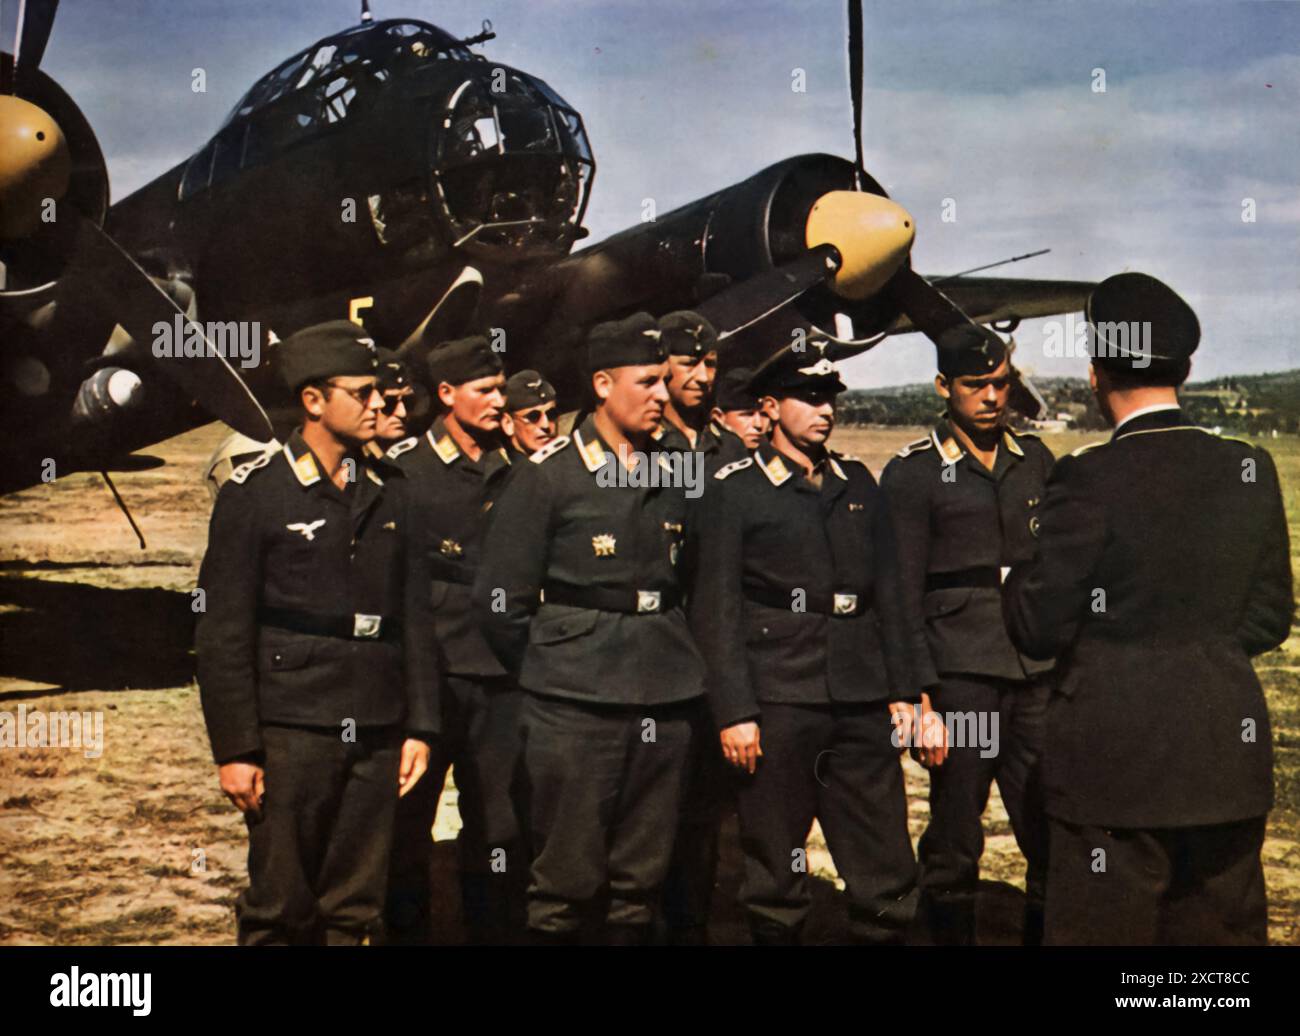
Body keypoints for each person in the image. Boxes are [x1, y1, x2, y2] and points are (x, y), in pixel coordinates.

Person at [1003, 273, 1293, 945]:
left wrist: (1014, 575)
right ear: (1186, 367)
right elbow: (1269, 616)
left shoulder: (1086, 476)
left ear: (1097, 371)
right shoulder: (1248, 467)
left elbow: (1039, 626)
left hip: (1113, 766)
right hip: (1223, 758)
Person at [195, 320, 438, 946]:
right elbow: (222, 633)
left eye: (381, 393)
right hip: (291, 728)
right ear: (313, 400)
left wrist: (419, 727)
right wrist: (237, 748)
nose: (381, 404)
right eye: (363, 393)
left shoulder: (393, 494)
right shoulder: (257, 494)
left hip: (377, 725)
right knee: (280, 907)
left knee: (358, 911)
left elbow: (414, 619)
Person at [473, 312, 707, 946]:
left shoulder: (678, 464)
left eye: (667, 381)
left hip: (666, 691)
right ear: (602, 384)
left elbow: (698, 577)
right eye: (649, 382)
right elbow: (499, 599)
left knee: (640, 886)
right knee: (565, 886)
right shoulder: (548, 474)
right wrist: (550, 669)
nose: (665, 395)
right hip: (573, 706)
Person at [688, 342, 923, 945]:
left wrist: (904, 690)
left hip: (859, 697)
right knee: (774, 871)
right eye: (810, 398)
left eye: (831, 399)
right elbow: (716, 607)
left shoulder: (859, 483)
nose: (825, 411)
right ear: (769, 407)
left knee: (885, 863)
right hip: (777, 699)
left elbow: (891, 595)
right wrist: (735, 710)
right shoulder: (734, 489)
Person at [880, 323, 1054, 945]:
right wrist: (916, 697)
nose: (990, 397)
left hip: (1033, 674)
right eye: (974, 385)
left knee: (1048, 827)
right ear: (942, 387)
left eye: (1000, 383)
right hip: (959, 681)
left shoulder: (1034, 460)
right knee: (956, 833)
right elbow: (898, 596)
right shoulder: (914, 474)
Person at [383, 335, 525, 944]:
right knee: (405, 824)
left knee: (499, 825)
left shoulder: (520, 468)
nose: (500, 401)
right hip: (429, 673)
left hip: (501, 675)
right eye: (485, 390)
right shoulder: (404, 470)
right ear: (446, 395)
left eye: (501, 389)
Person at [651, 310, 722, 458]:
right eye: (690, 364)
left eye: (710, 364)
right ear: (663, 367)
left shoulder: (729, 444)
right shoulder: (641, 448)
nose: (703, 377)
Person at [708, 365, 768, 460]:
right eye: (748, 414)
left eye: (764, 414)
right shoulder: (703, 462)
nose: (759, 425)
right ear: (718, 417)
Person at [501, 369, 559, 456]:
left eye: (551, 414)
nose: (545, 425)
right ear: (508, 424)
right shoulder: (504, 468)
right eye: (533, 417)